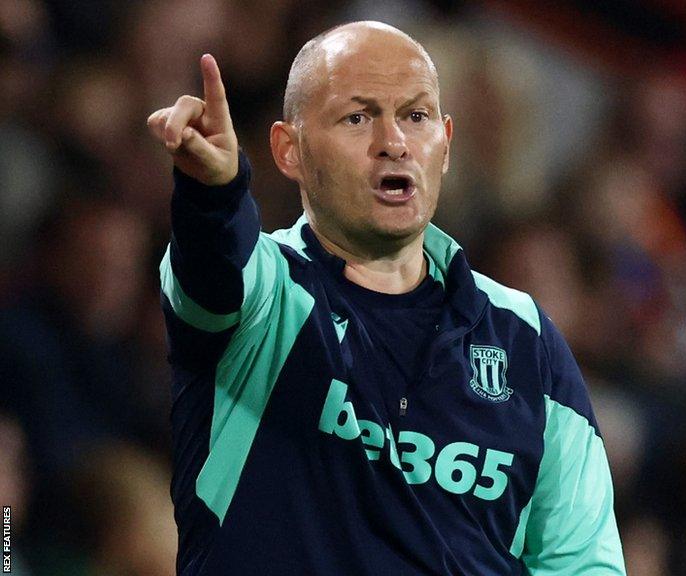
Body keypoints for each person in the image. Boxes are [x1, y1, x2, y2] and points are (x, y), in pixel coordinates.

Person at [145, 21, 624, 575]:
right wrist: (213, 192)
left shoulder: (525, 338)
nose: (394, 142)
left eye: (415, 117)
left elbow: (582, 562)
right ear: (289, 150)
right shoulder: (267, 294)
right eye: (358, 117)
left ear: (445, 144)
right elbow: (214, 269)